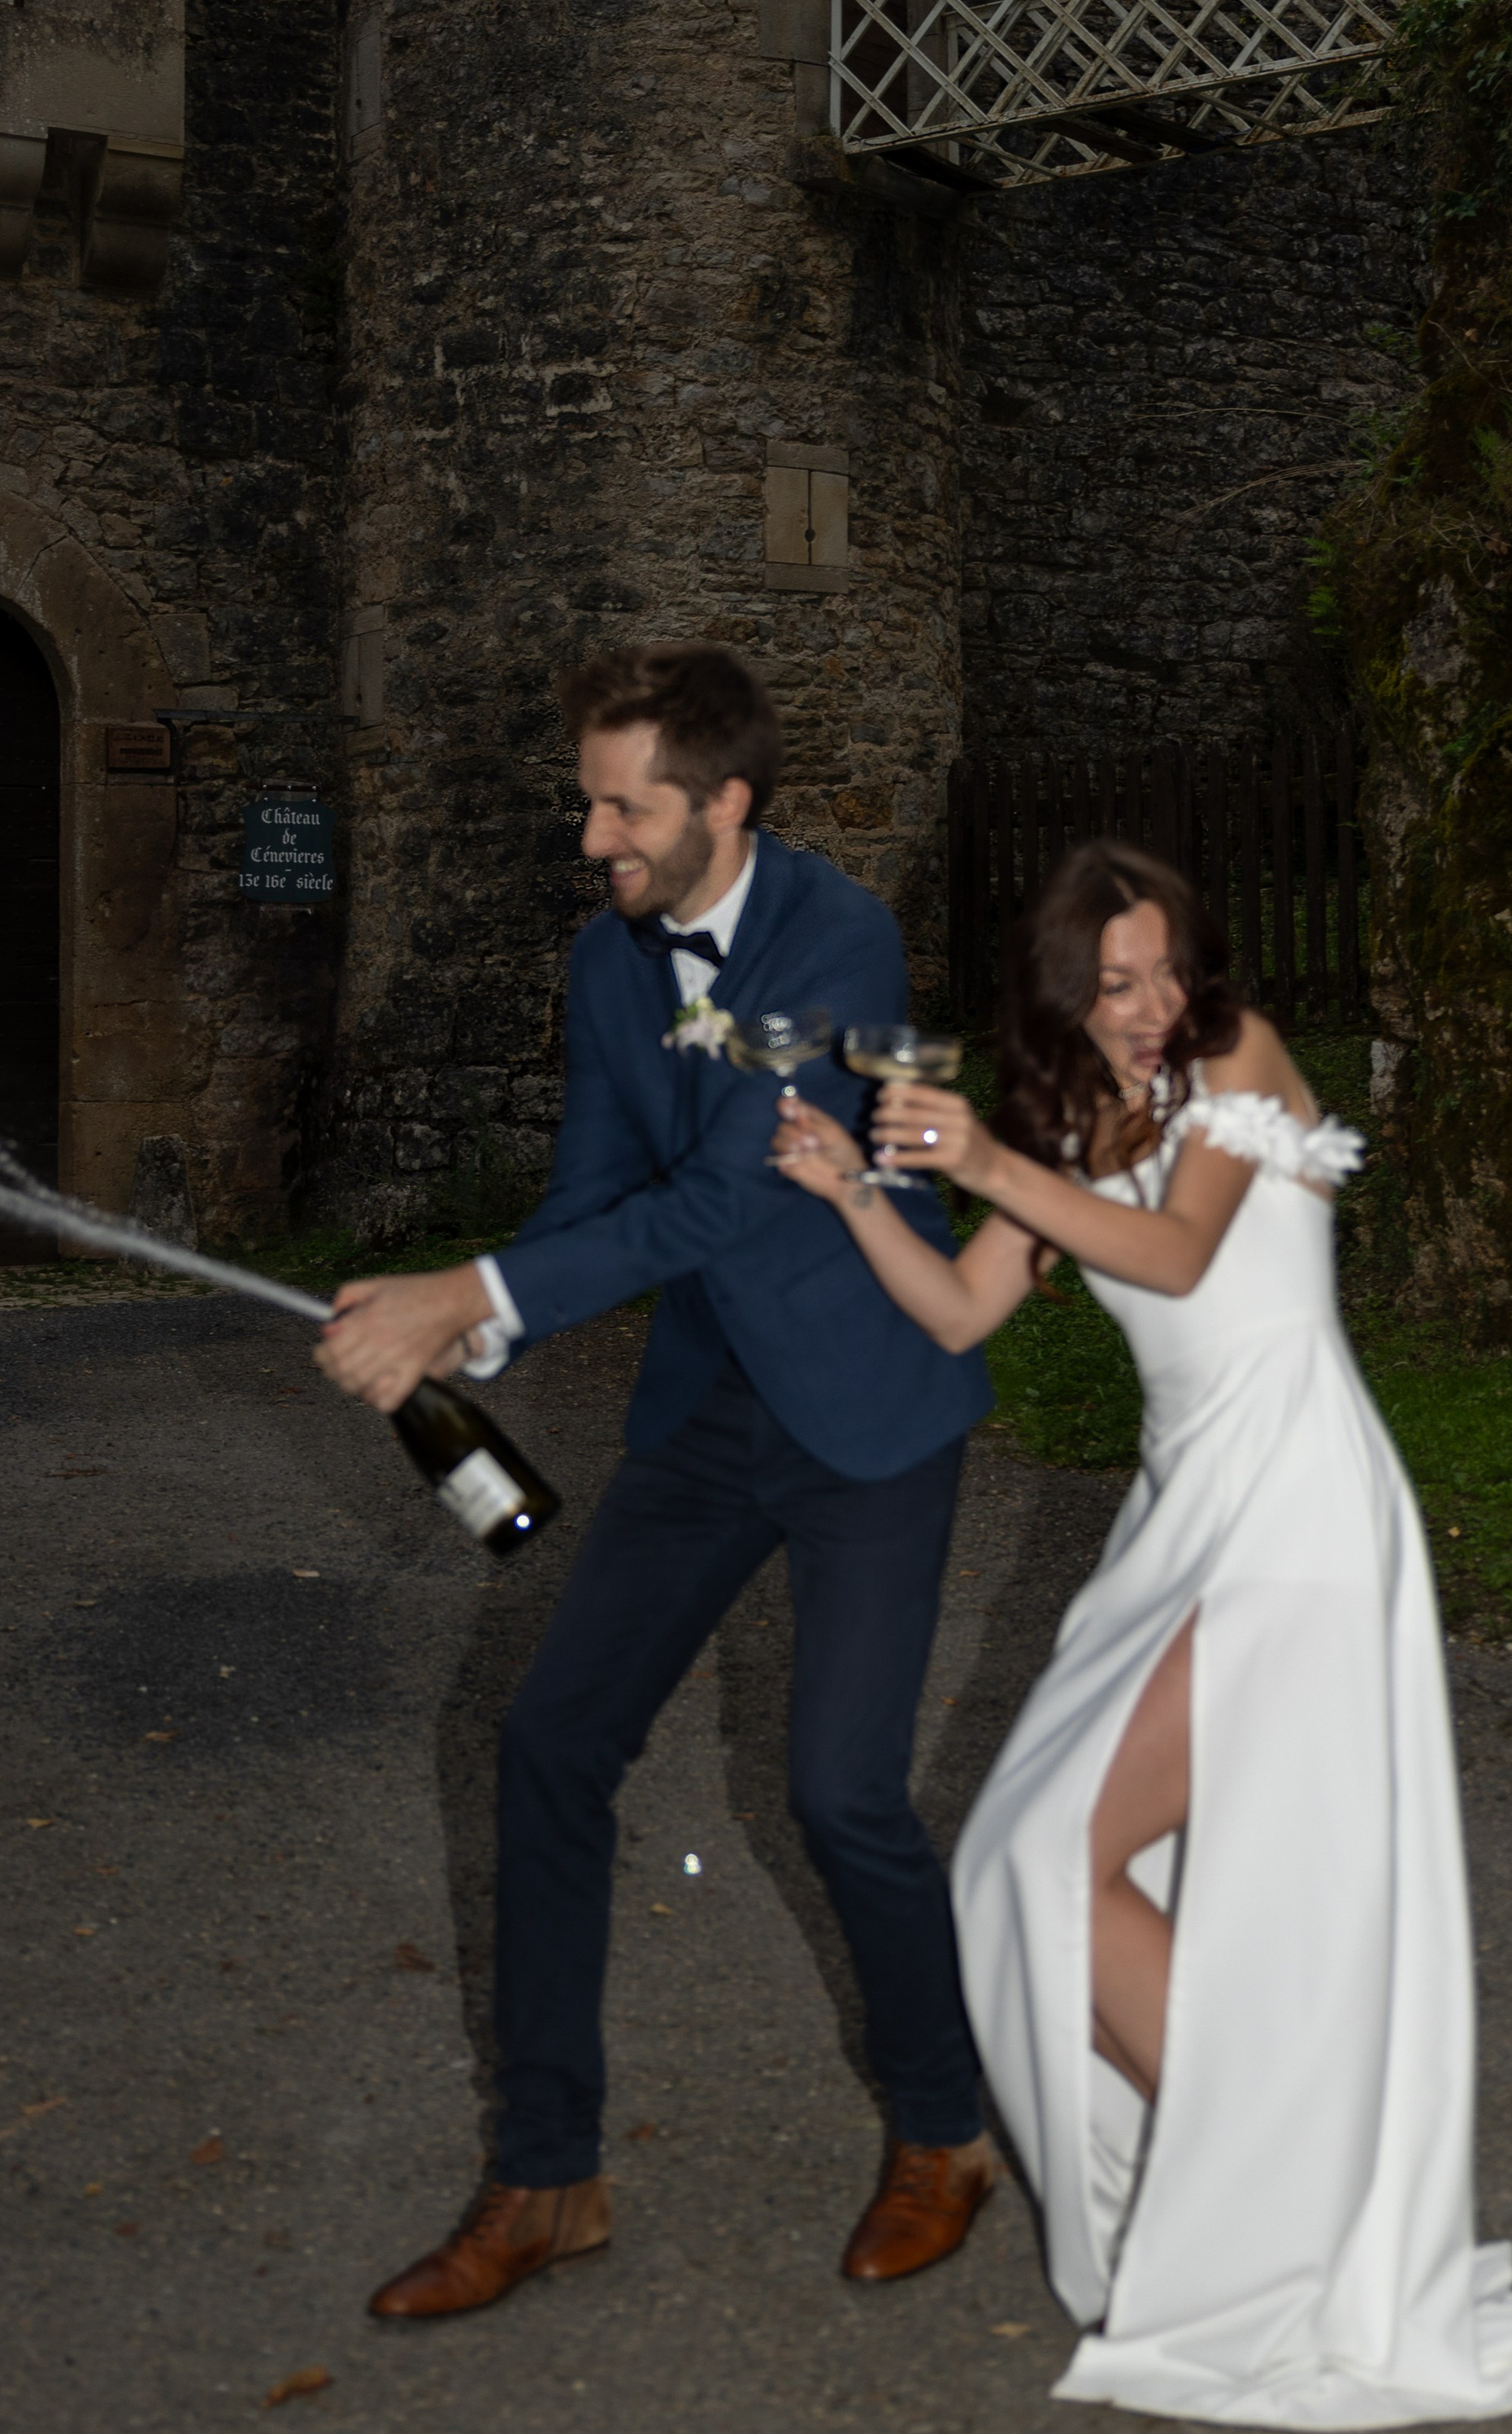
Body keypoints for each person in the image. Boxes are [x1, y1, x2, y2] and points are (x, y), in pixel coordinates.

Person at [772, 837, 1512, 2427]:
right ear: (1060, 987)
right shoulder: (1056, 1122)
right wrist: (850, 1193)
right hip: (1180, 1520)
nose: (1151, 1004)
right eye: (1114, 981)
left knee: (1046, 1854)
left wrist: (984, 1163)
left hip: (1297, 1508)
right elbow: (962, 1312)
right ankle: (1282, 2183)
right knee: (1013, 1865)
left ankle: (1290, 2199)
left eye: (1166, 968)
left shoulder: (1238, 1057)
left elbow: (1178, 1254)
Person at [315, 643, 1001, 2317]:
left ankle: (944, 2131)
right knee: (549, 1742)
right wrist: (469, 1338)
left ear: (724, 804)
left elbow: (733, 1196)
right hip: (705, 1415)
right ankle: (547, 2176)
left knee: (840, 1792)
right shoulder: (605, 961)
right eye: (589, 805)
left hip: (866, 1406)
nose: (593, 839)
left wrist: (465, 1288)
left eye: (624, 809)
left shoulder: (838, 937)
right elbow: (597, 1193)